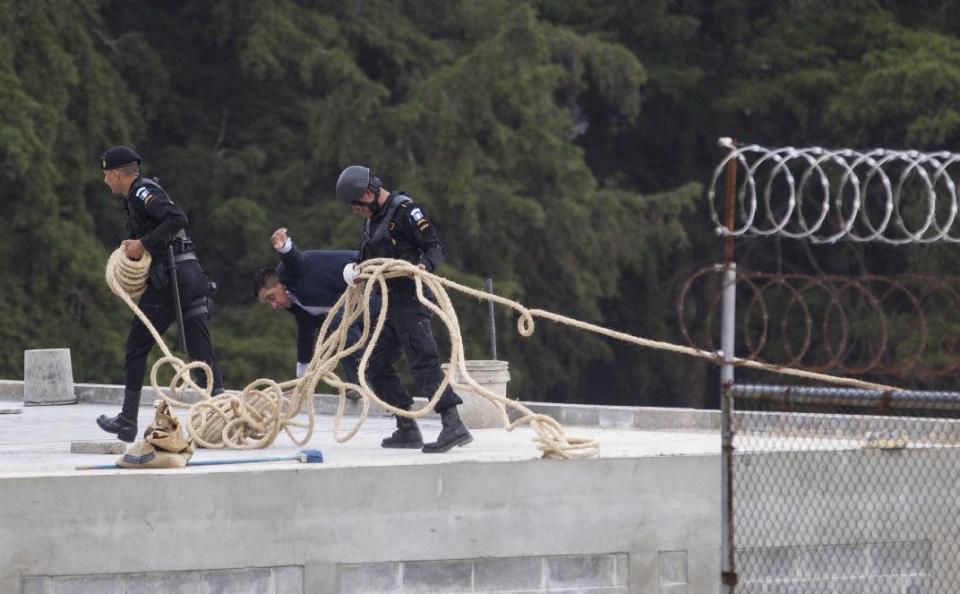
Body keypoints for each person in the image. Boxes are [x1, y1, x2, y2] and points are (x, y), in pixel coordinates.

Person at [335, 164, 472, 453]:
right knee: (374, 365)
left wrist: (422, 266)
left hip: (411, 300)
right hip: (388, 305)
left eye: (356, 205)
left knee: (423, 361)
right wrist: (355, 270)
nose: (355, 211)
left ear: (369, 194)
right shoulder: (372, 221)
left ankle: (453, 423)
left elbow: (434, 247)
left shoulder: (406, 212)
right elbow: (367, 256)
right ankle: (406, 427)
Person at [96, 146, 224, 442]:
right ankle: (221, 417)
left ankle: (127, 421)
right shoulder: (139, 195)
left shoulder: (142, 193)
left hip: (172, 281)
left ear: (117, 174)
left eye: (106, 176)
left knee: (136, 347)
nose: (105, 182)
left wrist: (144, 244)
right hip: (192, 276)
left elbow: (177, 218)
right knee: (200, 350)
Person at [253, 227, 363, 395]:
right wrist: (301, 382)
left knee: (339, 320)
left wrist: (284, 247)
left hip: (367, 276)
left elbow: (295, 261)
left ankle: (361, 381)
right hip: (357, 306)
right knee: (343, 326)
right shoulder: (298, 307)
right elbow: (305, 339)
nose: (274, 305)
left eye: (271, 298)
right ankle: (362, 384)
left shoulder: (288, 273)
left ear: (280, 284)